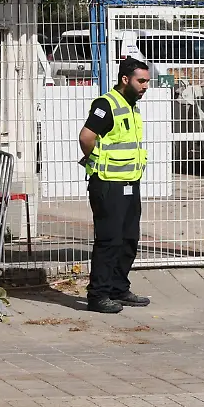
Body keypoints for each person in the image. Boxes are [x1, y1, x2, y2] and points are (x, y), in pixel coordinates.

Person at [78, 58, 152, 313]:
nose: (145, 86)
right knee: (109, 240)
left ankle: (119, 289)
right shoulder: (106, 104)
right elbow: (86, 137)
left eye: (147, 82)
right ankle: (98, 295)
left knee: (129, 238)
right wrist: (93, 159)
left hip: (130, 181)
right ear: (125, 79)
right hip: (108, 184)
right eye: (141, 81)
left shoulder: (131, 106)